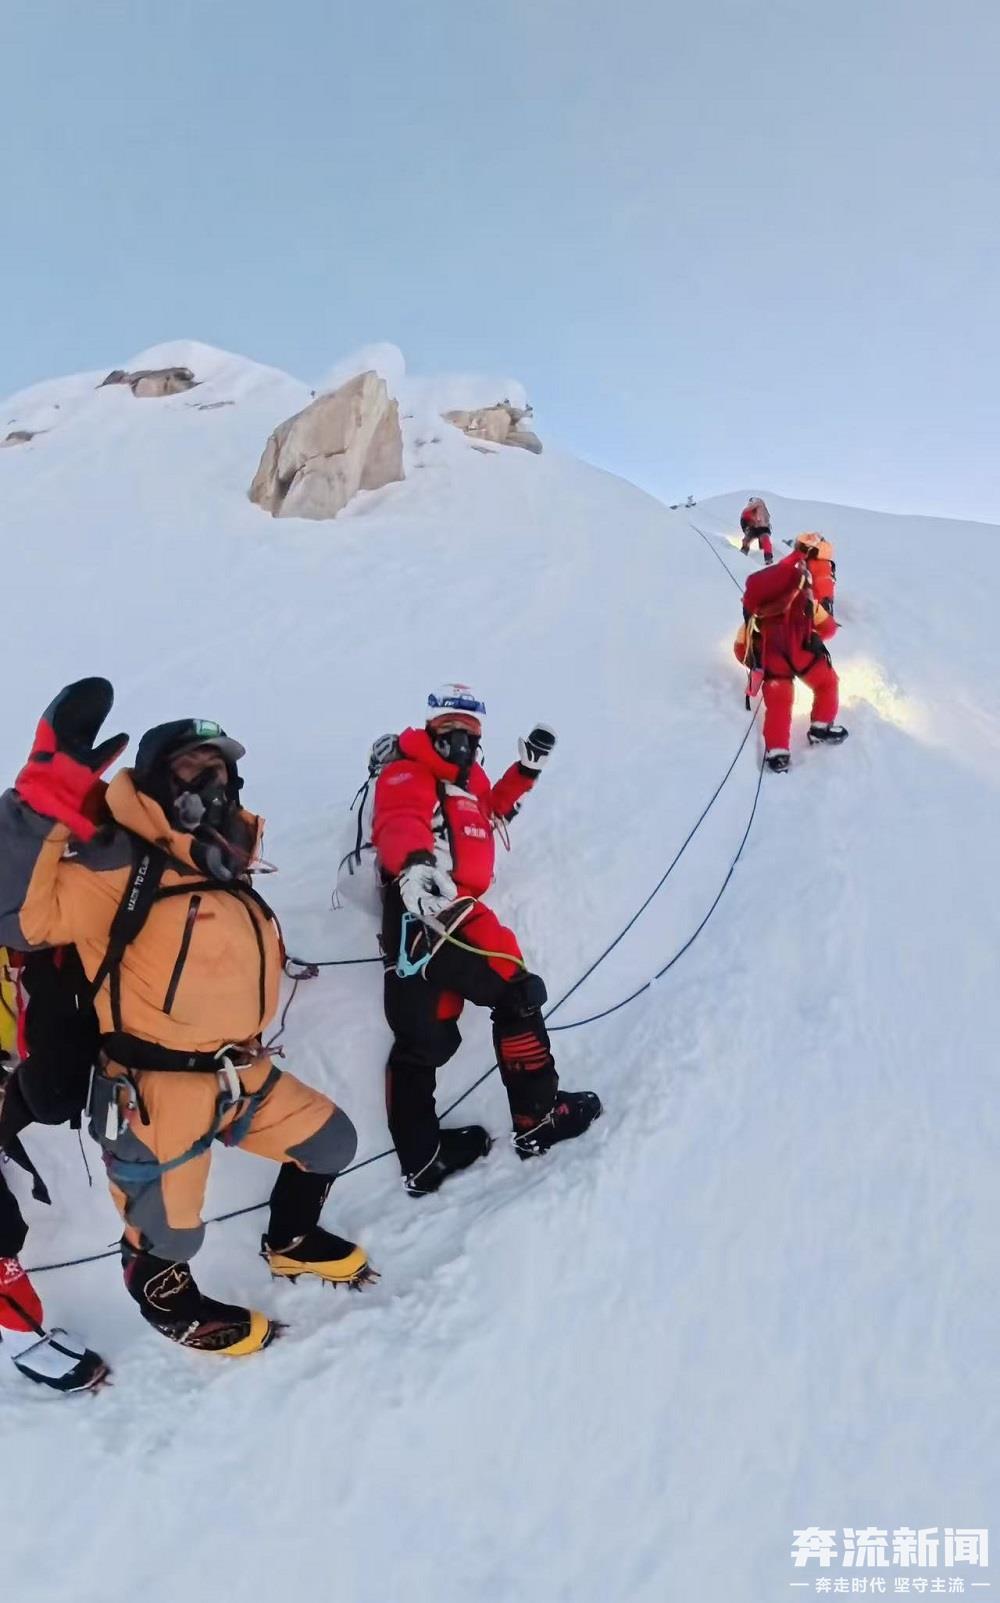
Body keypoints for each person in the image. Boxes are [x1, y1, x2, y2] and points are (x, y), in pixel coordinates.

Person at [0, 677, 371, 1359]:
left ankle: (289, 1241)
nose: (213, 781)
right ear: (152, 782)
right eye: (190, 769)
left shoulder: (222, 865)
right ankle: (165, 1298)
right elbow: (18, 919)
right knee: (168, 1234)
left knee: (332, 1144)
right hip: (156, 1092)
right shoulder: (118, 866)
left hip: (243, 1072)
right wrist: (36, 810)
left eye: (220, 768)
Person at [371, 684, 601, 1196]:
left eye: (471, 732)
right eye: (452, 729)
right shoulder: (408, 769)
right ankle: (539, 1119)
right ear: (432, 729)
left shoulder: (467, 782)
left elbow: (491, 807)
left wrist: (526, 772)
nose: (462, 739)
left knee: (421, 1042)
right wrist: (414, 865)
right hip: (441, 907)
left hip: (415, 921)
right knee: (516, 994)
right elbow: (399, 820)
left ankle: (423, 1158)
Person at [733, 553, 847, 772]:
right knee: (827, 683)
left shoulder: (755, 616)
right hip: (806, 657)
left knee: (778, 705)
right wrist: (809, 636)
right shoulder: (806, 603)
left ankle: (778, 753)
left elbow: (741, 649)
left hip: (774, 668)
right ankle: (821, 726)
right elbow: (829, 629)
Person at [792, 532, 837, 613]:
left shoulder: (805, 562)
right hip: (828, 593)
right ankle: (826, 612)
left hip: (813, 595)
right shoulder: (828, 563)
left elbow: (801, 579)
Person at [739, 497, 774, 564]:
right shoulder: (761, 509)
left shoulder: (748, 510)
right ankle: (767, 557)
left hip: (757, 528)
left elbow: (743, 519)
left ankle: (744, 553)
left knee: (749, 539)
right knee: (763, 540)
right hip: (758, 528)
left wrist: (746, 528)